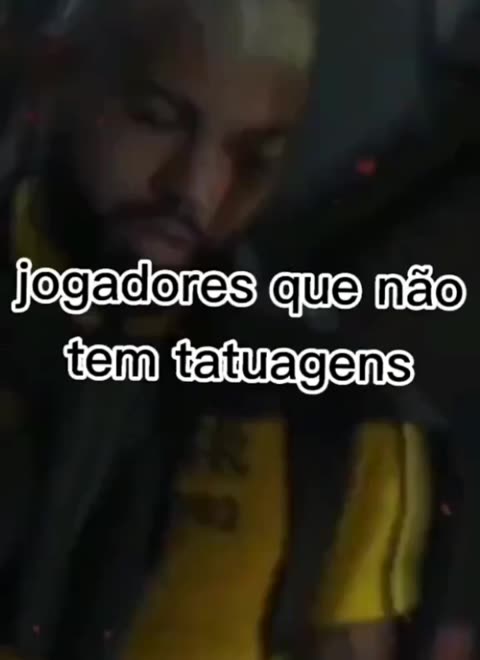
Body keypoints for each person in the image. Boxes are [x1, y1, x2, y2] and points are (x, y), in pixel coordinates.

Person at [0, 1, 433, 659]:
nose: (197, 191)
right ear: (54, 76)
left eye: (254, 156)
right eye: (157, 120)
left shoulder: (337, 413)